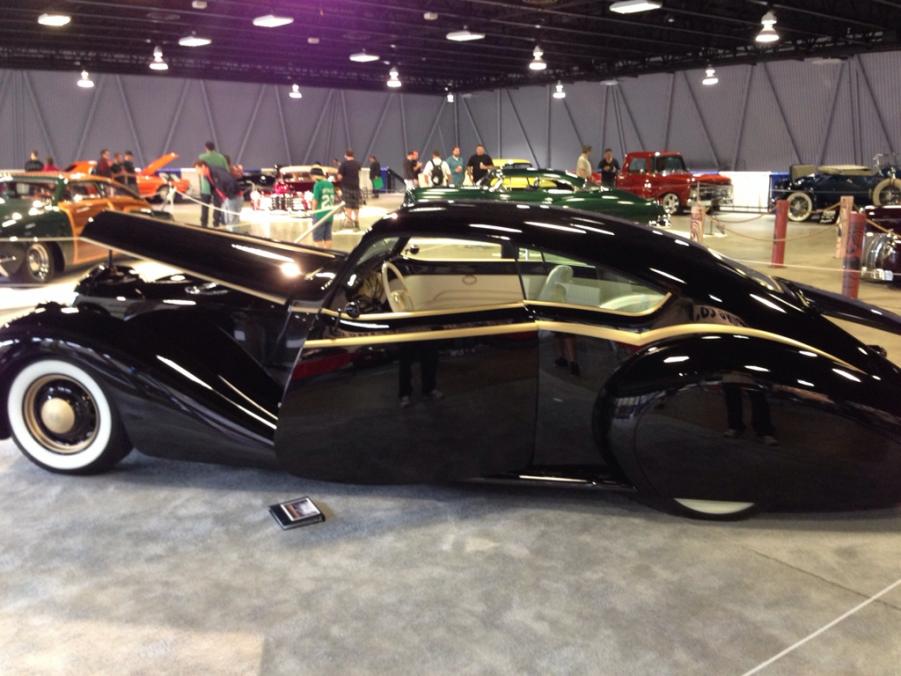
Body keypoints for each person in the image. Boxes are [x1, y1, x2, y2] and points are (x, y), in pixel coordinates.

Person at [193, 160, 241, 228]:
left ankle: (234, 233)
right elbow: (215, 187)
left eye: (197, 169)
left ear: (203, 166)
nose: (197, 172)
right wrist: (221, 198)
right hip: (225, 199)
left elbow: (230, 181)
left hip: (233, 197)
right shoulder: (207, 176)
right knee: (226, 221)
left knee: (232, 222)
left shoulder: (217, 172)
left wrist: (229, 197)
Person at [197, 141, 229, 228]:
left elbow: (199, 171)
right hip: (218, 185)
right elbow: (227, 170)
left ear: (206, 148)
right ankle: (216, 223)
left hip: (206, 186)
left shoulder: (202, 157)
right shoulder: (221, 157)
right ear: (214, 148)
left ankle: (204, 224)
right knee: (217, 206)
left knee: (205, 206)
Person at [309, 166, 336, 248]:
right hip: (329, 214)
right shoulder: (330, 184)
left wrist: (313, 212)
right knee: (328, 237)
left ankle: (320, 255)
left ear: (314, 175)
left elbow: (315, 199)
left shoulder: (318, 184)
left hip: (319, 215)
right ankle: (328, 253)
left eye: (311, 176)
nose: (312, 179)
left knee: (317, 239)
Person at [337, 149, 362, 231]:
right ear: (353, 155)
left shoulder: (343, 164)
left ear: (345, 155)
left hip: (347, 187)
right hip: (356, 186)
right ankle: (357, 221)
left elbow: (340, 177)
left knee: (348, 204)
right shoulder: (357, 163)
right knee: (356, 204)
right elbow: (358, 171)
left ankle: (349, 221)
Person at [223, 155, 244, 225]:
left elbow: (237, 177)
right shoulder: (230, 169)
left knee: (232, 218)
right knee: (231, 217)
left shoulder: (230, 169)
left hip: (232, 196)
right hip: (231, 195)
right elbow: (239, 176)